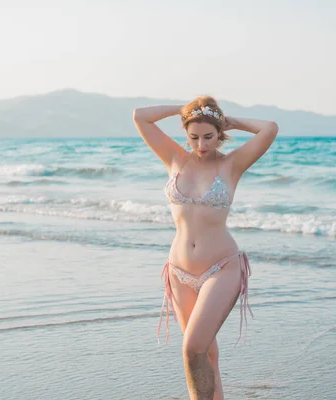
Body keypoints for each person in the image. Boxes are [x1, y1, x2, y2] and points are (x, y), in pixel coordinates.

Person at [132, 96, 278, 400]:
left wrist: (232, 120)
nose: (200, 144)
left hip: (221, 267)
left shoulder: (232, 163)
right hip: (179, 271)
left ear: (221, 133)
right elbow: (140, 116)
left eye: (209, 136)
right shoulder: (173, 157)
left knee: (193, 347)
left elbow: (269, 128)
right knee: (205, 353)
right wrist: (184, 108)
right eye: (193, 136)